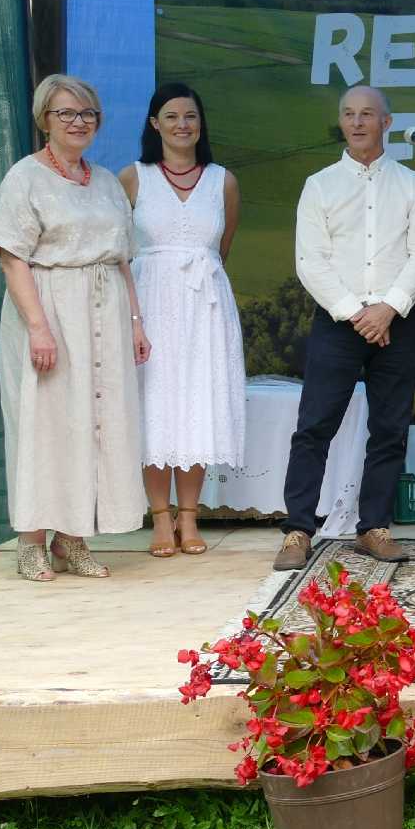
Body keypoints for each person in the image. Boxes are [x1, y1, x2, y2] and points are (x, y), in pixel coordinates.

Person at [0, 74, 151, 581]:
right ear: (44, 119)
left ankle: (73, 537)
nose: (78, 123)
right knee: (45, 423)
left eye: (87, 114)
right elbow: (12, 258)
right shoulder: (24, 178)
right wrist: (38, 328)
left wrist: (136, 322)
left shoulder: (103, 180)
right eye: (66, 114)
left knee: (96, 422)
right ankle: (31, 540)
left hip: (104, 312)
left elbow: (123, 258)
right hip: (51, 310)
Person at [274, 86, 415, 572]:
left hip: (397, 321)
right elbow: (310, 261)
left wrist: (389, 309)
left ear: (387, 122)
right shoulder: (319, 185)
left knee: (388, 428)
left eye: (368, 114)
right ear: (341, 123)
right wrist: (356, 312)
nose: (358, 122)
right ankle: (298, 529)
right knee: (315, 425)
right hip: (339, 320)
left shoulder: (411, 185)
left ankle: (374, 528)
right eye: (349, 114)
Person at [120, 83, 246, 559]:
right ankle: (159, 517)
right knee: (155, 404)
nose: (182, 125)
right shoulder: (132, 178)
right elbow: (117, 250)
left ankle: (190, 516)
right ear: (155, 124)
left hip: (205, 305)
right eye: (171, 116)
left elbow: (223, 246)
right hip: (150, 303)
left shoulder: (222, 180)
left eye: (190, 116)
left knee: (198, 403)